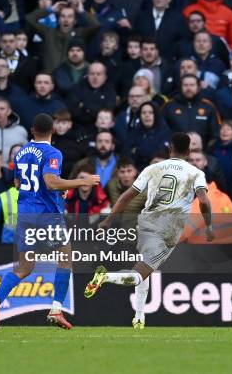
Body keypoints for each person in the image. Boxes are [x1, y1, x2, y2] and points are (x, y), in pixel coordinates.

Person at [84, 133, 214, 329]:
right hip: (169, 228)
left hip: (146, 223)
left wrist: (109, 220)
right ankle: (106, 277)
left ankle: (139, 317)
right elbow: (203, 201)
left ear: (170, 149)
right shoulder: (195, 173)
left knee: (145, 266)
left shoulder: (153, 168)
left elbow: (127, 196)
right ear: (188, 151)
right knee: (139, 273)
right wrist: (210, 226)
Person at [0, 113, 100, 330]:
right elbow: (50, 182)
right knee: (65, 260)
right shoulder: (52, 152)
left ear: (32, 130)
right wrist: (83, 181)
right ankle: (56, 309)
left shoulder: (20, 153)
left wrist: (59, 189)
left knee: (25, 267)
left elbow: (19, 183)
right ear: (53, 130)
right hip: (47, 215)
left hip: (26, 214)